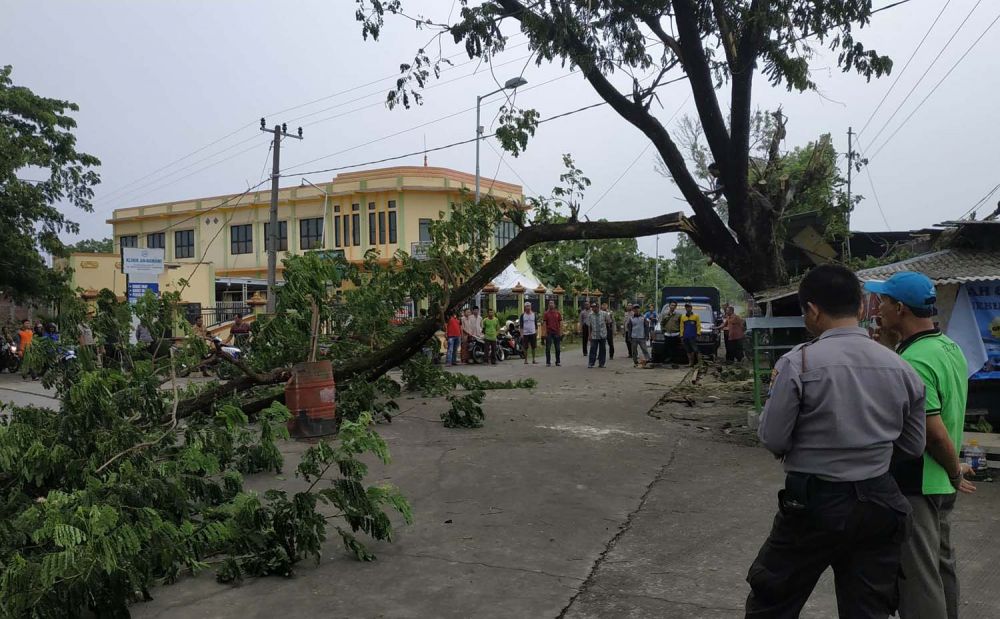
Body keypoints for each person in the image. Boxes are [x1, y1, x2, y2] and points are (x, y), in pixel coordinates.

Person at [746, 264, 927, 619]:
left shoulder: (799, 363)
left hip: (813, 503)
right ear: (862, 307)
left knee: (773, 602)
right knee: (869, 608)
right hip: (879, 502)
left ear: (812, 310)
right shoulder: (902, 368)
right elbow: (912, 446)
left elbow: (773, 438)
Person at [865, 272, 974, 619]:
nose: (878, 307)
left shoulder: (914, 362)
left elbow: (933, 432)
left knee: (918, 578)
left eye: (883, 301)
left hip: (920, 480)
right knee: (941, 567)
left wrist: (955, 470)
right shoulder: (947, 346)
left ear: (900, 308)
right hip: (939, 478)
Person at [587, 302, 609, 368]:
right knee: (593, 349)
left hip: (603, 334)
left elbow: (608, 322)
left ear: (598, 307)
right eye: (592, 307)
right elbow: (589, 326)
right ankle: (591, 363)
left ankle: (601, 363)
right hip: (594, 335)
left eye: (594, 307)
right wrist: (589, 335)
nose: (593, 308)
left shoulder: (604, 314)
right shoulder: (590, 315)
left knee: (602, 350)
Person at [543, 300, 562, 367]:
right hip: (549, 333)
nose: (551, 304)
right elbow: (544, 324)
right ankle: (548, 362)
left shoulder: (558, 313)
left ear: (554, 305)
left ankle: (558, 361)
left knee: (558, 348)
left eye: (552, 303)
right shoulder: (546, 313)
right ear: (548, 305)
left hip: (556, 332)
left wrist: (561, 332)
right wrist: (544, 333)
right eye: (550, 303)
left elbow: (560, 323)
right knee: (548, 348)